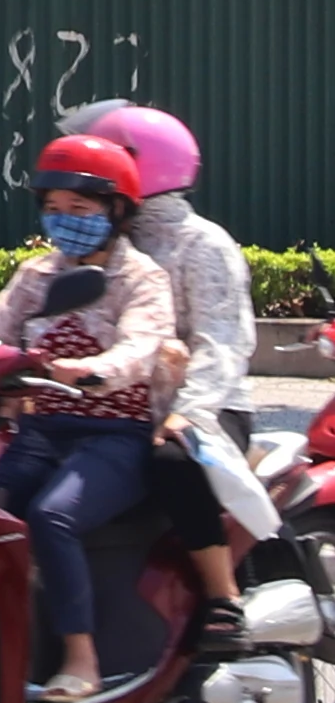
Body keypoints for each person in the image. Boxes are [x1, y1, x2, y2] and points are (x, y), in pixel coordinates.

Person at [0, 132, 182, 703]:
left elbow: (143, 346)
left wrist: (92, 369)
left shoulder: (142, 279)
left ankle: (80, 659)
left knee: (52, 517)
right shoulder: (36, 274)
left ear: (116, 211)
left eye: (80, 208)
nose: (64, 220)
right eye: (54, 208)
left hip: (115, 437)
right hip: (40, 432)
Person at [68, 100, 256, 657]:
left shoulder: (204, 245)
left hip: (207, 408)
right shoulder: (102, 243)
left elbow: (223, 343)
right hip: (117, 405)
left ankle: (224, 597)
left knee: (172, 459)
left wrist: (186, 412)